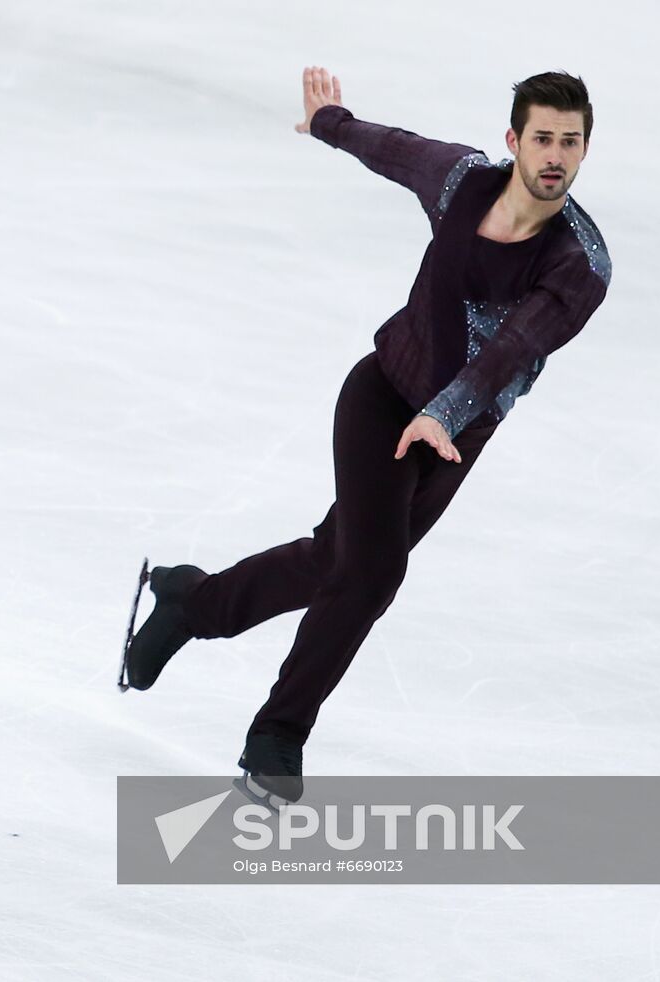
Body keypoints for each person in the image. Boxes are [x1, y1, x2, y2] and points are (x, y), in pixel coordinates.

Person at [119, 68, 611, 809]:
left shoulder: (579, 264)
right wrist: (331, 123)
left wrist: (445, 415)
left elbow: (511, 349)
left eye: (570, 143)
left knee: (336, 561)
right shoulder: (461, 183)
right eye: (542, 138)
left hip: (455, 433)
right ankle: (275, 739)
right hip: (382, 394)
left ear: (583, 152)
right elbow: (399, 150)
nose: (555, 156)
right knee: (371, 576)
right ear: (514, 141)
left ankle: (193, 602)